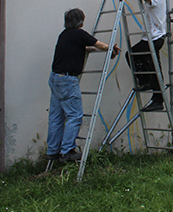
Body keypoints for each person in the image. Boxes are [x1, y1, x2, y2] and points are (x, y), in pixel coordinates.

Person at [46, 8, 119, 162]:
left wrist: (104, 49)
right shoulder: (80, 34)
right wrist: (110, 48)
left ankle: (53, 151)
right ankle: (67, 151)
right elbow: (98, 44)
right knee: (75, 115)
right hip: (67, 80)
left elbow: (85, 47)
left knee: (56, 116)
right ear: (81, 22)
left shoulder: (64, 35)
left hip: (55, 78)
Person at [127, 0, 167, 112]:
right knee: (151, 66)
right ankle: (154, 93)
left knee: (131, 55)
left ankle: (148, 85)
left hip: (154, 38)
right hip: (152, 38)